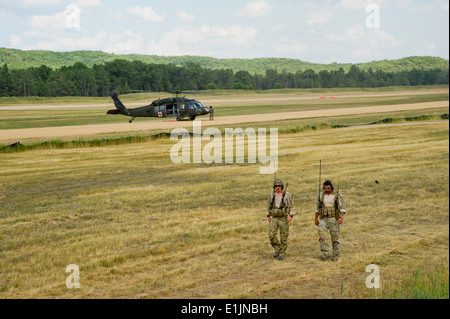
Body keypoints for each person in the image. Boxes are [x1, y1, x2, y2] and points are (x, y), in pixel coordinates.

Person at [314, 180, 346, 261]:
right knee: (321, 235)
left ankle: (336, 255)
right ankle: (325, 253)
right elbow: (317, 208)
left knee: (335, 238)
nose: (326, 189)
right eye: (325, 188)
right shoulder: (321, 196)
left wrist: (341, 218)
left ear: (331, 187)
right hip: (323, 219)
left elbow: (342, 208)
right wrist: (316, 219)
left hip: (333, 219)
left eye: (328, 188)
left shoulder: (337, 196)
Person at [267, 179, 294, 260]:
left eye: (279, 186)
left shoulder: (287, 195)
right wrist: (268, 215)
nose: (277, 187)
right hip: (274, 218)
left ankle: (282, 252)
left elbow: (291, 206)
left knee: (284, 236)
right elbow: (268, 206)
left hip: (283, 218)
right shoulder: (272, 195)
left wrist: (291, 215)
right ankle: (277, 248)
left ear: (281, 187)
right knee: (271, 235)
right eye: (276, 186)